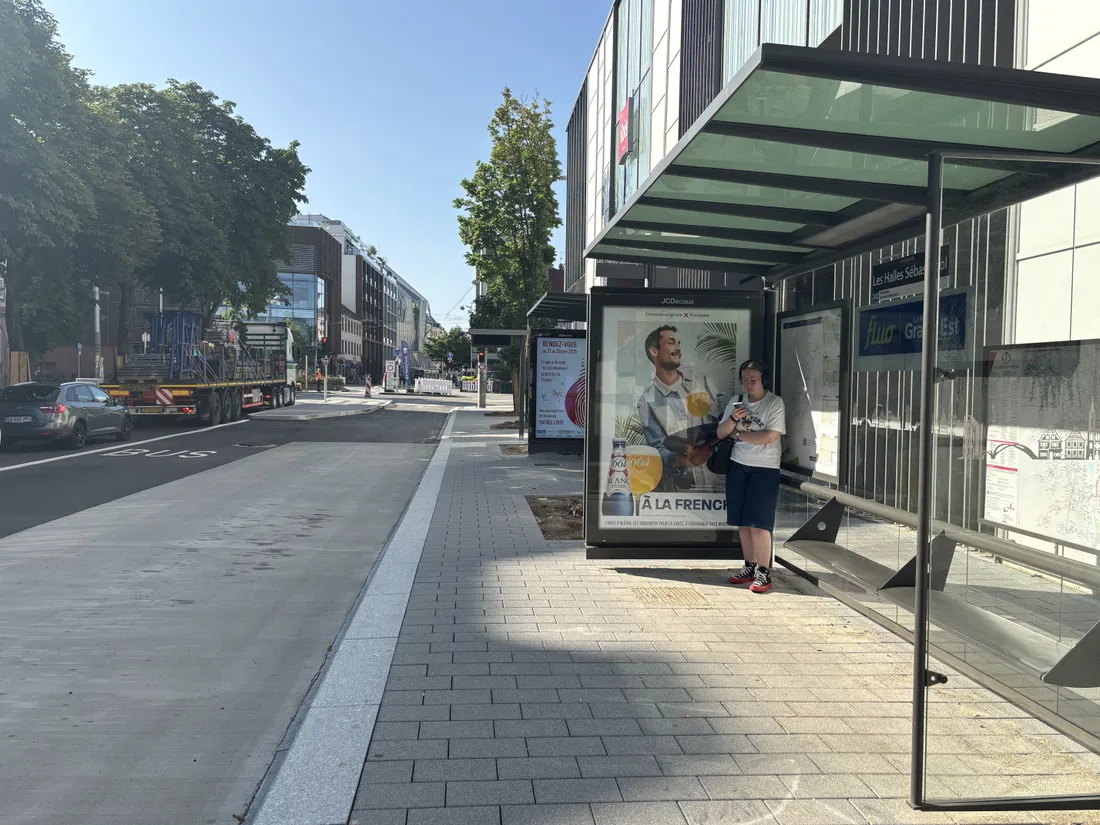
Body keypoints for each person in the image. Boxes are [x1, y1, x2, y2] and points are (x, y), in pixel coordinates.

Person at [716, 359, 786, 594]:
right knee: (743, 522)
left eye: (753, 379)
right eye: (744, 379)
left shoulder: (774, 403)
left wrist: (739, 436)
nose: (748, 384)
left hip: (764, 468)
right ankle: (749, 566)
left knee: (759, 523)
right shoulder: (737, 403)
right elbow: (720, 432)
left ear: (763, 380)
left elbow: (770, 436)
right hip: (738, 465)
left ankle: (764, 572)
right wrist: (734, 420)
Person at [636, 325, 720, 491]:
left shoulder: (701, 382)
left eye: (679, 343)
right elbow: (657, 451)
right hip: (685, 487)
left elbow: (723, 421)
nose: (678, 348)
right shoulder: (647, 401)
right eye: (671, 343)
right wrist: (687, 460)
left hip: (719, 480)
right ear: (654, 351)